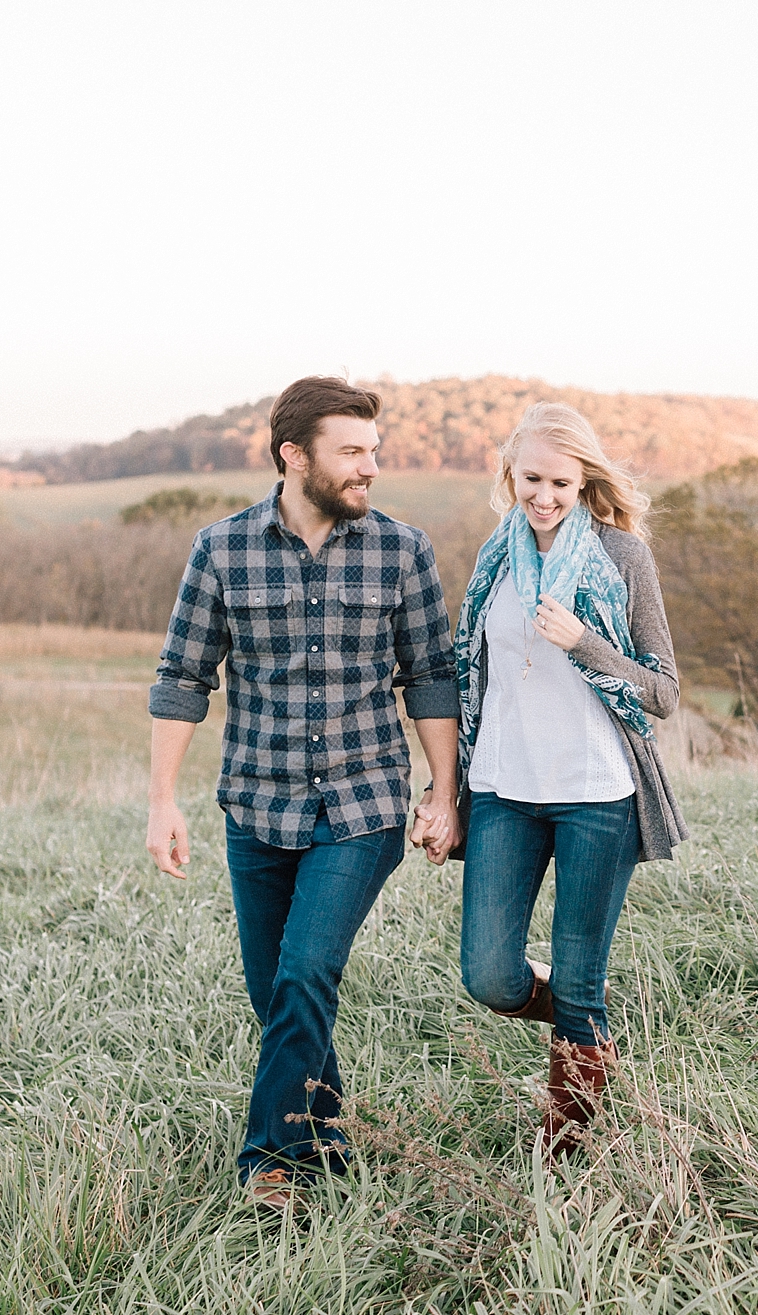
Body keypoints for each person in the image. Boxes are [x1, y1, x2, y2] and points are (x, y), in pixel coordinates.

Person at [145, 376, 458, 1210]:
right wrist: (162, 801)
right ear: (295, 456)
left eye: (374, 453)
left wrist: (443, 789)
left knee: (306, 968)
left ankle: (267, 1162)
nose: (371, 469)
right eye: (352, 453)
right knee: (276, 990)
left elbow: (430, 675)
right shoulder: (222, 549)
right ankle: (327, 1139)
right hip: (256, 805)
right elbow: (183, 676)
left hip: (361, 808)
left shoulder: (403, 550)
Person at [420, 401, 688, 1155]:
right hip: (506, 790)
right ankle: (581, 1015)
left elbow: (664, 692)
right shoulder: (494, 558)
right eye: (531, 478)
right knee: (490, 974)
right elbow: (467, 673)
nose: (544, 496)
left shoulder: (621, 556)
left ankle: (567, 1144)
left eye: (561, 483)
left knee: (580, 982)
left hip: (597, 797)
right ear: (511, 473)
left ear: (584, 480)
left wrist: (588, 645)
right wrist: (445, 796)